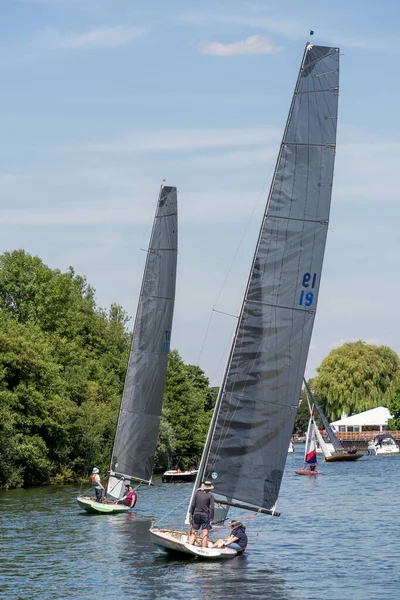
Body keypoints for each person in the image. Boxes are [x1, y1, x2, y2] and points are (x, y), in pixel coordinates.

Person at [188, 480, 215, 548]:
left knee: (194, 531)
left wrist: (191, 514)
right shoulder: (211, 495)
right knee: (205, 532)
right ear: (210, 488)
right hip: (205, 515)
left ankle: (189, 545)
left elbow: (193, 505)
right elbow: (212, 508)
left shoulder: (197, 493)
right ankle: (203, 548)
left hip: (196, 514)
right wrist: (211, 519)